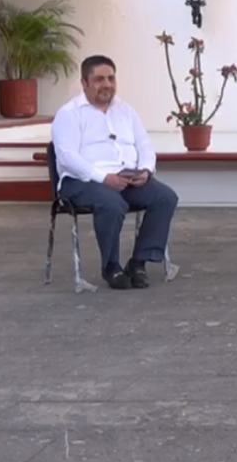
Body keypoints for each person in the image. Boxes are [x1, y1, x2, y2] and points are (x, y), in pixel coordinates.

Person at [50, 55, 179, 290]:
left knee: (165, 197)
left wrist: (146, 171)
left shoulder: (126, 110)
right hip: (82, 181)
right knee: (111, 204)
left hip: (125, 178)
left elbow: (144, 146)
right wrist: (104, 178)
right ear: (85, 83)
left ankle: (138, 263)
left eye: (110, 78)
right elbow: (67, 157)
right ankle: (111, 267)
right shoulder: (69, 113)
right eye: (99, 79)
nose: (106, 84)